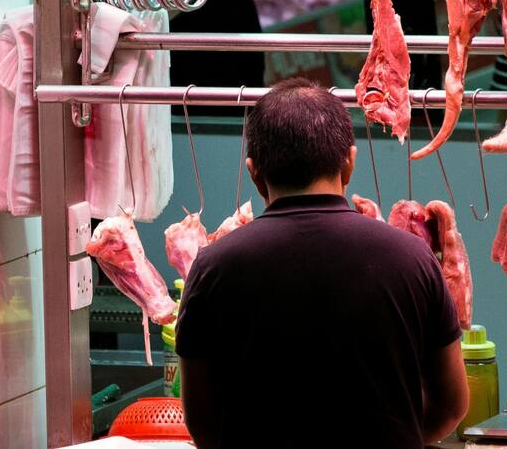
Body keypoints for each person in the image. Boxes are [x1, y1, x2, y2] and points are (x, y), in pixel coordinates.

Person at [175, 78, 469, 449]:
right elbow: (451, 405)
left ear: (254, 173)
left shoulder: (213, 267)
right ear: (349, 163)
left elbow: (201, 420)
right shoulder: (412, 258)